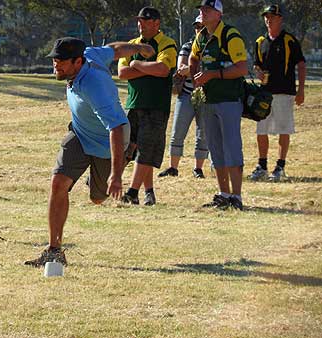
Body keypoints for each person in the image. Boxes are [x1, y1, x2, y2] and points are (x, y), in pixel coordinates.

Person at [24, 37, 154, 267]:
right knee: (58, 183)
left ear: (78, 61)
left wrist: (116, 175)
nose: (56, 66)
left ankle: (119, 160)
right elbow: (114, 50)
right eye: (55, 61)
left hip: (109, 140)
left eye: (62, 62)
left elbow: (114, 128)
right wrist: (139, 48)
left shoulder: (94, 86)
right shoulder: (91, 54)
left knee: (97, 198)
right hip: (80, 135)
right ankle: (54, 251)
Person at [189, 0, 248, 210]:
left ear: (219, 14)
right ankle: (223, 194)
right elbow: (193, 57)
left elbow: (242, 68)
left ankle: (237, 197)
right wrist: (193, 72)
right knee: (215, 148)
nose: (202, 12)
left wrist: (212, 74)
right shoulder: (201, 35)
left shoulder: (230, 35)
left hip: (229, 99)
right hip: (208, 100)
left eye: (207, 10)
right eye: (201, 10)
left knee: (232, 147)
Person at [118, 6, 177, 206]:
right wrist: (144, 69)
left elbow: (162, 69)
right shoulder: (132, 45)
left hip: (156, 105)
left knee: (146, 151)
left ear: (156, 23)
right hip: (134, 104)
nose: (140, 24)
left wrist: (136, 65)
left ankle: (133, 192)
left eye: (145, 21)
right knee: (128, 149)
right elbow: (122, 73)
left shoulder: (167, 44)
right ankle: (111, 180)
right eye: (139, 21)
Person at [248, 4, 306, 182]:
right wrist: (257, 72)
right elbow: (257, 65)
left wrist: (301, 90)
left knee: (283, 129)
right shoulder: (260, 41)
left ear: (280, 19)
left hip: (284, 92)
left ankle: (280, 167)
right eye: (266, 16)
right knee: (261, 129)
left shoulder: (289, 40)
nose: (268, 19)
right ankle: (262, 166)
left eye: (272, 16)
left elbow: (301, 64)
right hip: (264, 94)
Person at [158, 15, 208, 179]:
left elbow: (188, 69)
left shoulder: (215, 47)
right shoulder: (188, 46)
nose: (198, 29)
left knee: (203, 133)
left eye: (201, 26)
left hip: (207, 96)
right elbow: (181, 69)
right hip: (186, 94)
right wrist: (203, 69)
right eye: (197, 26)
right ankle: (173, 167)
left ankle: (198, 169)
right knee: (177, 132)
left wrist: (193, 68)